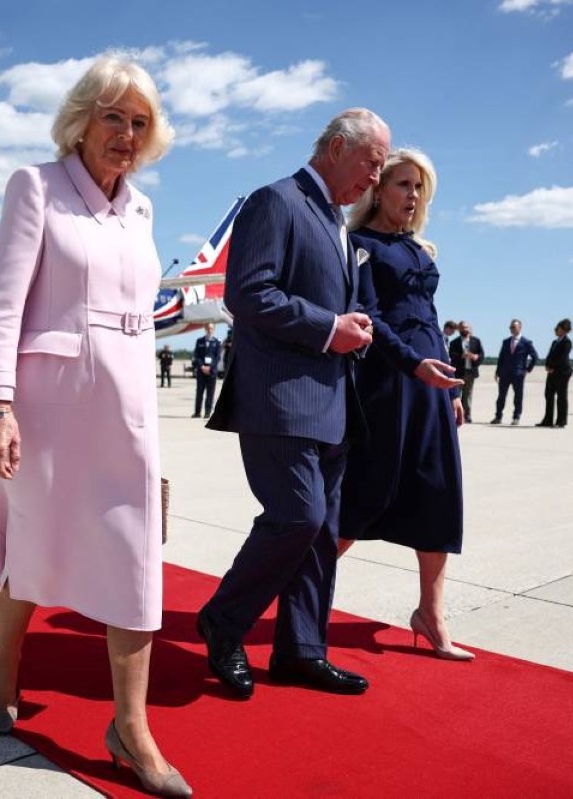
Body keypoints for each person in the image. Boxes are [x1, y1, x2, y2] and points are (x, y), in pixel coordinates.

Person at [0, 57, 189, 797]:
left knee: (135, 552)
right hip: (49, 404)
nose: (126, 133)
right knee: (36, 540)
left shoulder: (142, 209)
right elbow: (4, 304)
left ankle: (131, 726)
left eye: (139, 122)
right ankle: (5, 660)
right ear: (82, 120)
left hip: (125, 406)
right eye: (113, 117)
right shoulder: (36, 186)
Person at [202, 107, 388, 700]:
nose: (376, 179)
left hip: (332, 402)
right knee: (297, 517)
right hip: (280, 398)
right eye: (372, 163)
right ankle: (223, 621)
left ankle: (301, 650)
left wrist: (353, 327)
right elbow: (247, 292)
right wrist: (329, 328)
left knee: (320, 533)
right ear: (337, 148)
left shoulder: (336, 220)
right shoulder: (277, 202)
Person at [339, 148, 472, 661]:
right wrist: (414, 365)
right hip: (387, 381)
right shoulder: (358, 245)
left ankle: (431, 614)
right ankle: (299, 593)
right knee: (365, 492)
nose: (413, 195)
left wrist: (451, 390)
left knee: (437, 491)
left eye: (419, 187)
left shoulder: (421, 251)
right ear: (378, 190)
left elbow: (430, 319)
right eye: (402, 184)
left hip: (432, 384)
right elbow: (370, 317)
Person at [490, 318, 538, 425]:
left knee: (518, 397)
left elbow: (535, 357)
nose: (511, 329)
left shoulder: (526, 342)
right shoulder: (506, 342)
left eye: (514, 327)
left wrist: (527, 369)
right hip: (505, 373)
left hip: (518, 374)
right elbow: (501, 357)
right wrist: (497, 371)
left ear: (520, 328)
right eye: (510, 327)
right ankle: (498, 417)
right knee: (501, 396)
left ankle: (516, 417)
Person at [538, 318, 573, 428]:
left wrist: (553, 367)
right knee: (548, 395)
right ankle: (548, 420)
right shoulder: (555, 342)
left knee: (561, 397)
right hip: (552, 372)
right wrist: (547, 365)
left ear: (564, 330)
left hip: (562, 372)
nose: (555, 330)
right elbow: (550, 355)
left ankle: (561, 421)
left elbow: (562, 357)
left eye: (557, 328)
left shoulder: (567, 342)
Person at [449, 320, 484, 423]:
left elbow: (482, 355)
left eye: (466, 327)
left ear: (469, 328)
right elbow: (451, 355)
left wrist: (476, 357)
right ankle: (455, 415)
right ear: (459, 329)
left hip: (471, 372)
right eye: (462, 327)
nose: (464, 329)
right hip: (458, 372)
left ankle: (467, 415)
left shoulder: (476, 341)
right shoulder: (454, 342)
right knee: (456, 394)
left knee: (468, 395)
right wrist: (461, 356)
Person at [190, 322, 220, 418]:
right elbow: (197, 355)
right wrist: (202, 366)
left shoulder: (217, 342)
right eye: (208, 328)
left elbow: (217, 357)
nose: (209, 330)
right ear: (205, 329)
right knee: (199, 392)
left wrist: (210, 367)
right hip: (201, 371)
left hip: (211, 372)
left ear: (213, 330)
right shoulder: (199, 341)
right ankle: (197, 412)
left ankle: (207, 412)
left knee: (210, 393)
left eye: (211, 328)